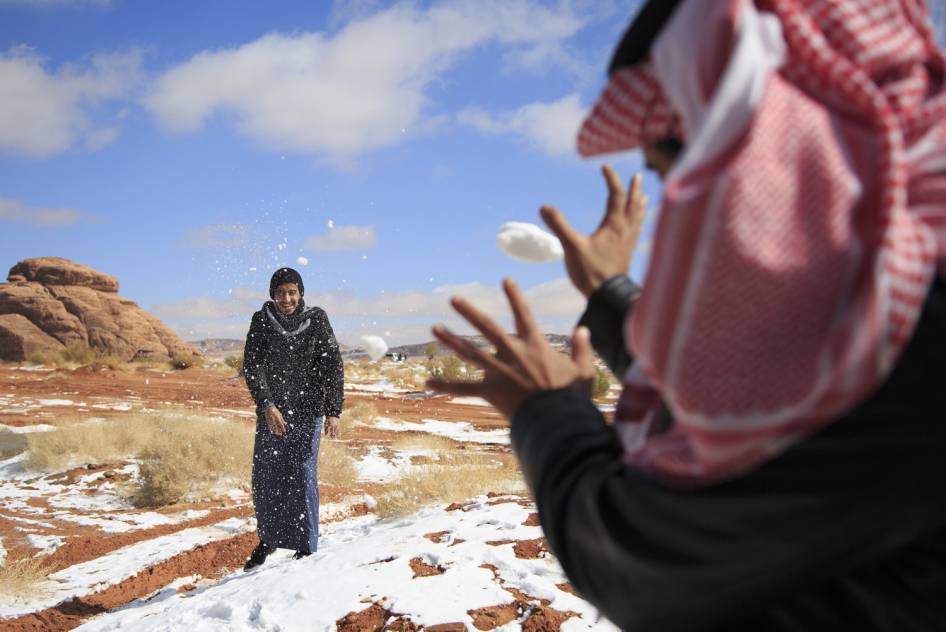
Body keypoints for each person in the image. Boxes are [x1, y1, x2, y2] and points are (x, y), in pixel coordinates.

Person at [428, 1, 946, 629]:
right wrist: (610, 292)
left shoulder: (896, 351)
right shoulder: (892, 288)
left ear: (763, 142)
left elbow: (636, 558)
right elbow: (756, 371)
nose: (681, 197)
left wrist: (548, 408)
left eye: (678, 167)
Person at [242, 267, 344, 571]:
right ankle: (269, 538)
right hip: (273, 413)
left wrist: (333, 411)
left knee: (301, 475)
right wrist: (266, 405)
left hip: (308, 410)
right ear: (272, 294)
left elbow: (332, 365)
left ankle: (305, 545)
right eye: (280, 292)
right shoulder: (261, 320)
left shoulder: (316, 319)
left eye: (292, 292)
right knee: (267, 477)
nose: (286, 298)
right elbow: (252, 365)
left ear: (300, 293)